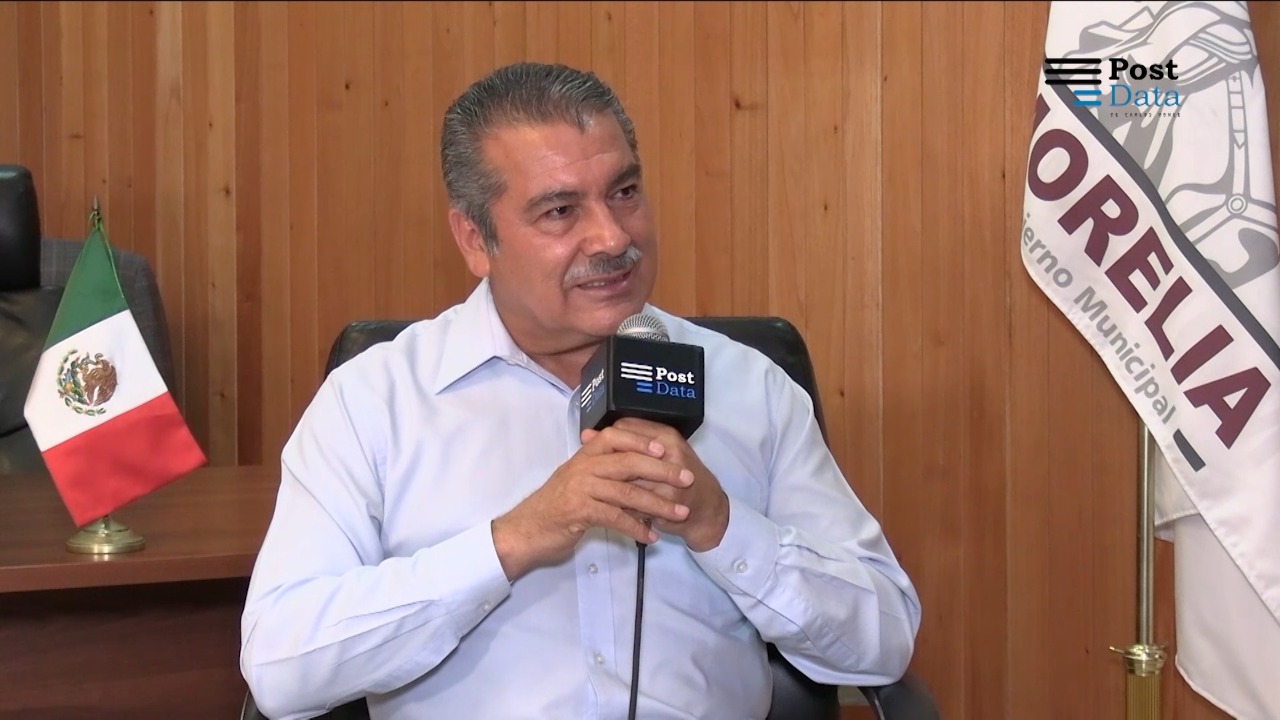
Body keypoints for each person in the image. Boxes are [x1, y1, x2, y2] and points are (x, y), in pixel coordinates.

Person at [240, 61, 922, 720]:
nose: (613, 237)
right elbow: (281, 669)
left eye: (624, 192)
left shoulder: (750, 386)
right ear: (475, 239)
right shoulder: (373, 401)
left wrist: (721, 526)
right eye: (561, 210)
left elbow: (884, 639)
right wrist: (513, 541)